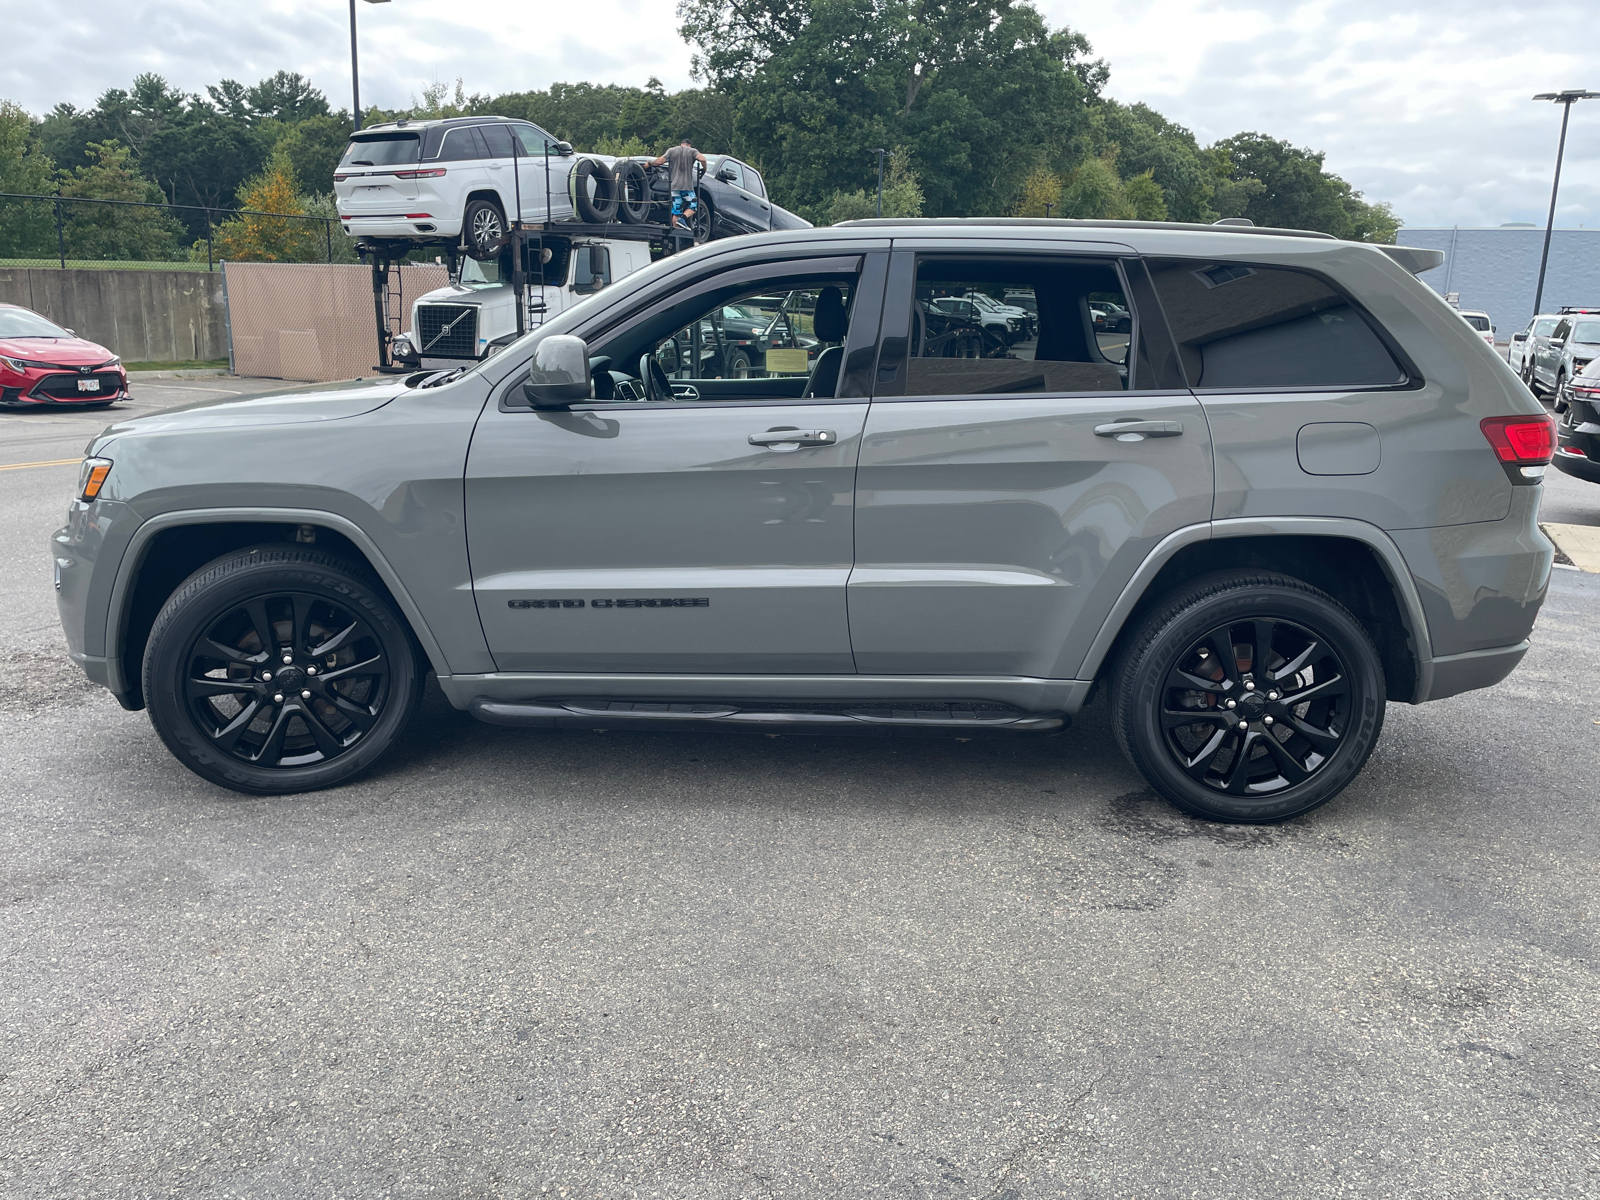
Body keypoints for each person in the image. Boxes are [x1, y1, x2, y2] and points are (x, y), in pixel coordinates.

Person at [651, 138, 708, 232]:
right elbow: (702, 159)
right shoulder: (692, 151)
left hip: (674, 187)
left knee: (676, 212)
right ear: (689, 145)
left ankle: (676, 235)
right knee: (693, 206)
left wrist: (649, 164)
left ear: (681, 144)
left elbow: (659, 161)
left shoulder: (672, 150)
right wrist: (704, 169)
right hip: (686, 187)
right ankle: (683, 219)